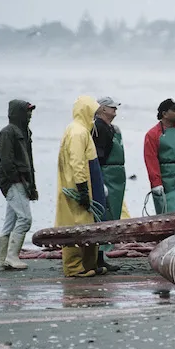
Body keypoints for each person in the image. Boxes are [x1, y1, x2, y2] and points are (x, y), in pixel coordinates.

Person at [55, 95, 108, 278]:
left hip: (89, 185)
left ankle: (88, 264)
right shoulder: (77, 132)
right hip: (76, 188)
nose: (95, 115)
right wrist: (83, 189)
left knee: (89, 227)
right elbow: (77, 163)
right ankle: (74, 267)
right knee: (76, 228)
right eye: (93, 111)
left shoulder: (83, 130)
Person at [0, 100, 38, 271]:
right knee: (25, 219)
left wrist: (32, 186)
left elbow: (29, 161)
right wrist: (15, 179)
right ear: (17, 113)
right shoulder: (7, 132)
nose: (30, 115)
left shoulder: (25, 132)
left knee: (10, 221)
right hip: (13, 180)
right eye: (27, 112)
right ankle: (12, 256)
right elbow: (6, 160)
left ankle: (1, 259)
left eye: (31, 112)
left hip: (23, 180)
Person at [92, 96, 131, 272]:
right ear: (101, 109)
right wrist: (100, 181)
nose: (115, 110)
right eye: (112, 108)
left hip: (117, 177)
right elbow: (96, 157)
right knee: (102, 217)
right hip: (106, 174)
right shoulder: (98, 127)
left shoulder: (111, 128)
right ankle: (97, 258)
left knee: (112, 216)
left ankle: (102, 256)